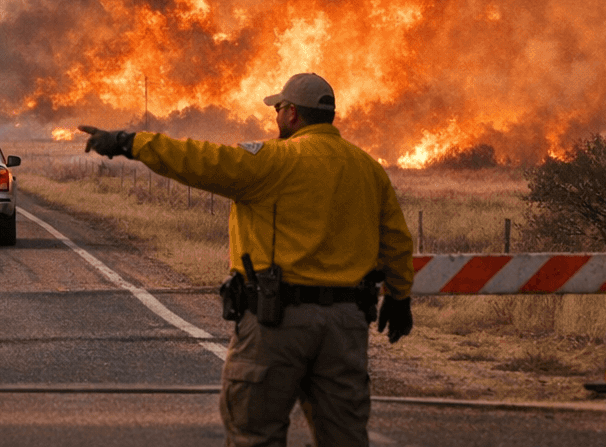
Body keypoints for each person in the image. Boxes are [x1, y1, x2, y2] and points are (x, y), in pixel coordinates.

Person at [80, 72, 414, 447]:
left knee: (255, 434)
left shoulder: (272, 161)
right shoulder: (367, 168)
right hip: (346, 327)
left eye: (279, 109)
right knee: (345, 438)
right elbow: (397, 241)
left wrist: (129, 143)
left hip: (276, 323)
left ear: (291, 115)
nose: (275, 118)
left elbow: (198, 159)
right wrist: (400, 296)